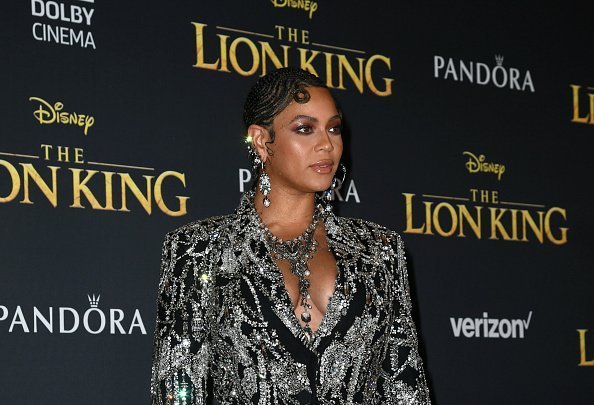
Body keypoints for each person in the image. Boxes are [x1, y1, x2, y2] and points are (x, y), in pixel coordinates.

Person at [150, 67, 431, 404]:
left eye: (334, 128)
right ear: (261, 140)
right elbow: (178, 391)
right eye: (305, 129)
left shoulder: (379, 250)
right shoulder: (200, 250)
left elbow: (406, 388)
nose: (326, 144)